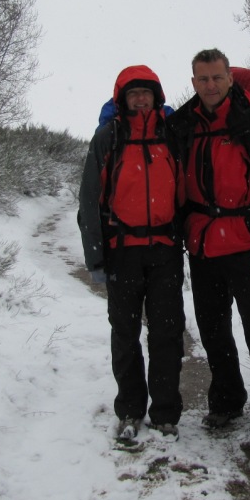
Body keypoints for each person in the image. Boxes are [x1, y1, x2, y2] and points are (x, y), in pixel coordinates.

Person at [167, 48, 250, 459]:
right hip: (203, 248)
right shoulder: (185, 124)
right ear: (194, 83)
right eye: (203, 79)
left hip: (247, 249)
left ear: (229, 79)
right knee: (213, 331)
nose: (210, 86)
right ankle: (226, 400)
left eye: (217, 78)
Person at [77, 65, 185, 443]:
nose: (140, 100)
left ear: (157, 97)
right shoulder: (108, 137)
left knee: (167, 333)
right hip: (121, 252)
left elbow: (188, 189)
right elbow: (89, 199)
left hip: (165, 251)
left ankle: (166, 412)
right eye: (133, 94)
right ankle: (129, 410)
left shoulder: (171, 134)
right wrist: (95, 256)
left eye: (146, 93)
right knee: (125, 333)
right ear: (121, 99)